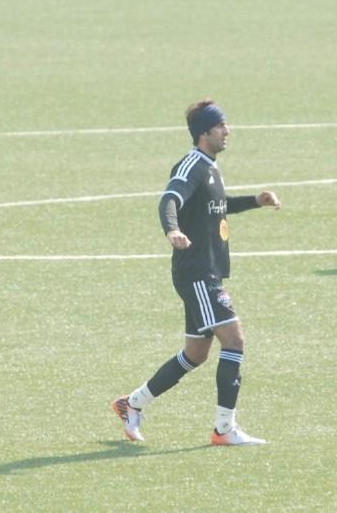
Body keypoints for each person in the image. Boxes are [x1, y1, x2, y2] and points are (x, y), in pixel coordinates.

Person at [113, 100, 281, 446]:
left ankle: (132, 404)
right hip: (197, 272)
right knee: (234, 340)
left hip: (205, 272)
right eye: (221, 126)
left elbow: (217, 206)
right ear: (204, 132)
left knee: (196, 353)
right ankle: (224, 429)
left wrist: (255, 201)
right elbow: (169, 199)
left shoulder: (210, 167)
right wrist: (171, 230)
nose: (227, 131)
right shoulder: (191, 165)